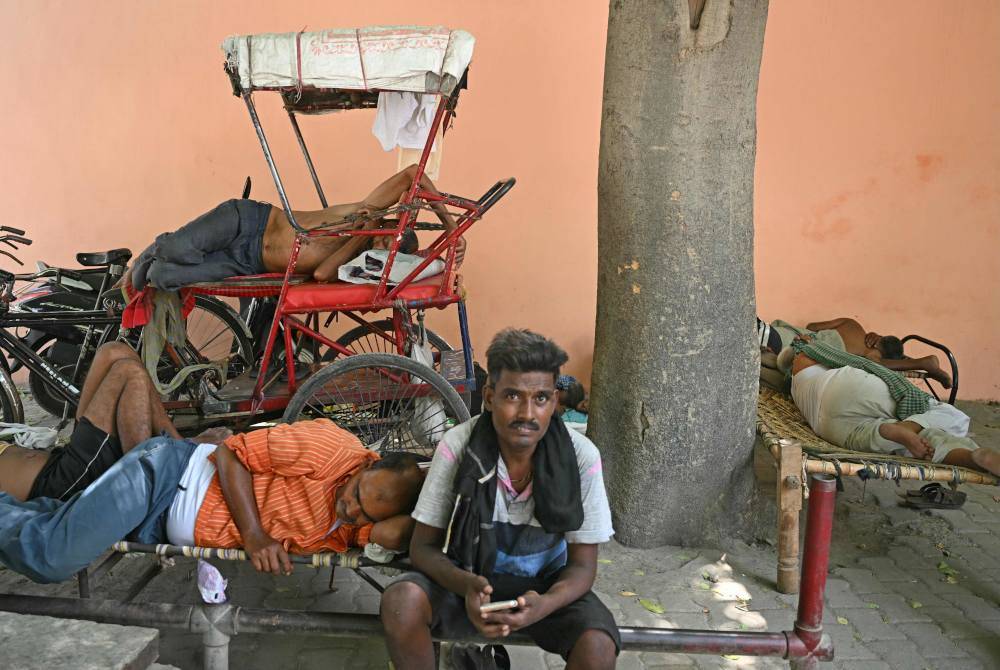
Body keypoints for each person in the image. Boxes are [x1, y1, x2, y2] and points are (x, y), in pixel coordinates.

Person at [380, 329, 619, 670]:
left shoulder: (581, 457)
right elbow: (423, 549)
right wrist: (467, 587)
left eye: (540, 398)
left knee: (597, 645)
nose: (526, 413)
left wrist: (546, 603)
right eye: (512, 396)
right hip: (467, 577)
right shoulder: (458, 446)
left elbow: (582, 566)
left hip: (543, 589)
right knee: (401, 602)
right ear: (490, 398)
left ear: (555, 402)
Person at [0, 417, 425, 583]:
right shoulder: (329, 449)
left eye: (365, 512)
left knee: (54, 525)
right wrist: (254, 535)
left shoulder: (368, 518)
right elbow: (229, 452)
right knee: (51, 557)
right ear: (368, 464)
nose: (350, 510)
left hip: (156, 522)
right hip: (163, 478)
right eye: (355, 494)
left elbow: (393, 533)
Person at [125, 164, 465, 291]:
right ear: (393, 224)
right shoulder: (369, 207)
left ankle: (143, 270)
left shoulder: (351, 265)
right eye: (386, 237)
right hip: (247, 222)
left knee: (162, 278)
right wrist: (452, 230)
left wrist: (363, 234)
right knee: (175, 250)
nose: (379, 242)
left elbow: (320, 275)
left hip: (247, 263)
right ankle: (146, 257)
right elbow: (412, 174)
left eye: (384, 248)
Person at [0, 342, 222, 502]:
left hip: (63, 459)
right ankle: (150, 483)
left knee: (114, 351)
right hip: (63, 484)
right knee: (130, 372)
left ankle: (179, 446)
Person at [779, 336, 1000, 476]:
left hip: (825, 424)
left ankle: (972, 458)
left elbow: (787, 360)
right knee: (951, 416)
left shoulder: (797, 382)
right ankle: (912, 428)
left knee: (902, 444)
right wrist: (809, 341)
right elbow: (808, 346)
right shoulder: (806, 350)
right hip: (848, 387)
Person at [759, 316, 952, 387]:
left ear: (879, 339)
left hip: (784, 337)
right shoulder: (872, 356)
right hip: (784, 346)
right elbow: (883, 364)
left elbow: (812, 325)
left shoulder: (853, 325)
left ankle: (923, 362)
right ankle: (922, 362)